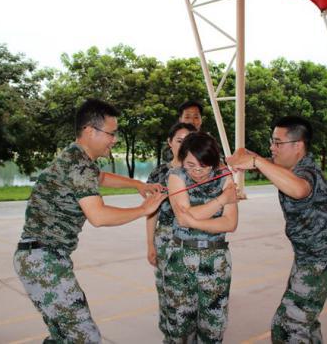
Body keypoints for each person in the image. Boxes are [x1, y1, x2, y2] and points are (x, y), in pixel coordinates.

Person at [13, 98, 166, 343]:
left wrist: (137, 184)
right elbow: (98, 216)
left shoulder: (78, 158)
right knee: (86, 337)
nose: (114, 140)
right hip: (43, 260)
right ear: (89, 131)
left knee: (63, 337)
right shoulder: (78, 165)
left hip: (40, 257)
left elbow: (101, 178)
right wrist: (143, 209)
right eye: (111, 133)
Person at [226, 116, 327, 343]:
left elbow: (300, 189)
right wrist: (248, 156)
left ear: (298, 146)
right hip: (310, 259)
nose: (272, 148)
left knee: (287, 326)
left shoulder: (307, 172)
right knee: (304, 324)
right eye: (271, 142)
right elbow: (265, 164)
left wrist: (256, 162)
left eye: (277, 143)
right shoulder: (290, 167)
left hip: (324, 262)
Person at [164, 131, 239, 342]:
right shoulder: (176, 176)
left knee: (213, 328)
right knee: (179, 327)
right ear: (182, 160)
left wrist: (194, 221)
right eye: (191, 165)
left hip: (216, 260)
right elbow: (182, 216)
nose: (197, 171)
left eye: (204, 166)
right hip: (181, 258)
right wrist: (221, 200)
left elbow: (230, 223)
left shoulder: (224, 175)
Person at [146, 122, 197, 337]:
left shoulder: (200, 171)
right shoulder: (159, 173)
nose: (184, 145)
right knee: (167, 291)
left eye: (189, 140)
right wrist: (150, 244)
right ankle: (171, 336)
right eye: (179, 140)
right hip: (166, 239)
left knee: (193, 293)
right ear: (170, 143)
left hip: (194, 238)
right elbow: (151, 212)